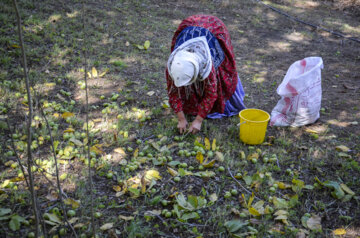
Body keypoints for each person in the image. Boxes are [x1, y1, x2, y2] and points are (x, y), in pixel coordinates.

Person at [166, 15, 246, 134]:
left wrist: (198, 120)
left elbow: (211, 94)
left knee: (218, 81)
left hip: (212, 30)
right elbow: (173, 92)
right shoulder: (173, 66)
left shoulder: (207, 65)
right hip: (190, 30)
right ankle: (192, 105)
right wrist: (181, 118)